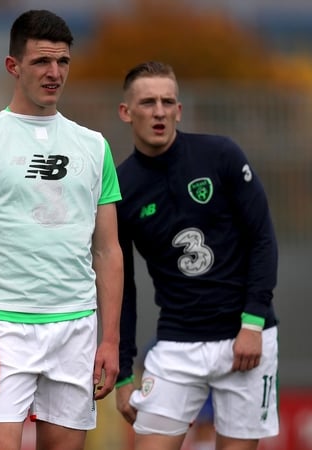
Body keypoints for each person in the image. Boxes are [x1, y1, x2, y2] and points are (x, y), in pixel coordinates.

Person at [0, 9, 123, 450]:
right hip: (3, 328)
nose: (54, 72)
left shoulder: (94, 145)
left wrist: (110, 339)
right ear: (13, 66)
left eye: (63, 61)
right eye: (42, 61)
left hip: (76, 327)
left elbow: (108, 251)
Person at [114, 60, 279, 450]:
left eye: (168, 102)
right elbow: (122, 285)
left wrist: (252, 324)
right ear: (126, 112)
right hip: (176, 344)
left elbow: (262, 238)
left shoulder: (220, 155)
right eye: (149, 102)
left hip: (244, 338)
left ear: (179, 110)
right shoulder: (120, 187)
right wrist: (123, 373)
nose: (159, 112)